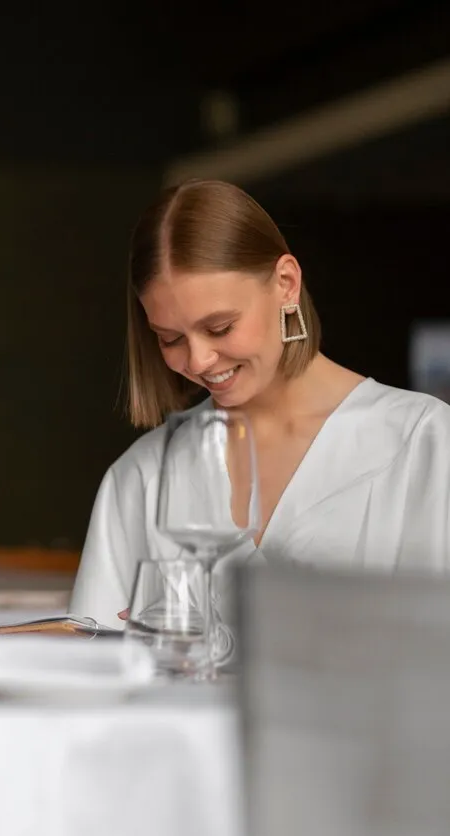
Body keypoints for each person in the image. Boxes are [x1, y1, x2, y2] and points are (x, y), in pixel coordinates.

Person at [71, 179, 450, 625]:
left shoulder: (425, 444)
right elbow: (96, 663)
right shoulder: (143, 477)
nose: (198, 359)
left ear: (286, 283)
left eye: (220, 327)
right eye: (170, 338)